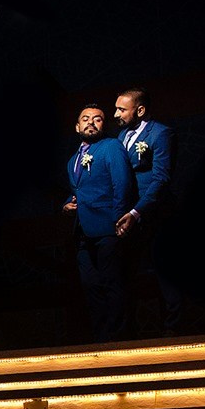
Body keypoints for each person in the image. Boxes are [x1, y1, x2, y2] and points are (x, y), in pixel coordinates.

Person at [111, 87, 182, 334]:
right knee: (126, 275)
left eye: (121, 109)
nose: (115, 114)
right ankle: (128, 335)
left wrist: (136, 212)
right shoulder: (120, 138)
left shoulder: (161, 133)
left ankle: (174, 335)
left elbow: (161, 179)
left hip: (157, 215)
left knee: (166, 274)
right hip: (129, 217)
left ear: (140, 110)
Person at [64, 104, 134, 341]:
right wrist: (68, 204)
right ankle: (101, 338)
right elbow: (80, 189)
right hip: (83, 231)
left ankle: (119, 338)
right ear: (77, 126)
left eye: (97, 119)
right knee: (90, 285)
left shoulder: (111, 146)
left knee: (112, 282)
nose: (91, 122)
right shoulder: (73, 160)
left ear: (104, 125)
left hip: (108, 226)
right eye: (85, 119)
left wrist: (119, 219)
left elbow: (122, 184)